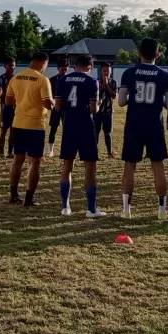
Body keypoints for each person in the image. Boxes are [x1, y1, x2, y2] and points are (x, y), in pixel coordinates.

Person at [118, 38, 168, 220]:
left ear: (139, 53)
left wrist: (132, 99)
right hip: (154, 125)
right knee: (158, 165)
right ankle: (162, 210)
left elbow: (121, 101)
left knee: (129, 165)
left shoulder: (129, 73)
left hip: (134, 123)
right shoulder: (166, 76)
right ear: (158, 54)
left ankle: (127, 210)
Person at [56, 55, 106, 218]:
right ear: (90, 67)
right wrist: (98, 104)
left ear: (75, 66)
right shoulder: (92, 82)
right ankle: (91, 209)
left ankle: (65, 207)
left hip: (69, 124)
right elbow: (93, 109)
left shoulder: (62, 80)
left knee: (67, 166)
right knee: (90, 167)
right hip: (85, 125)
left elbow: (57, 106)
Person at [7, 51, 53, 206]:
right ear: (43, 62)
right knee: (35, 161)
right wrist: (53, 102)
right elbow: (47, 103)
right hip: (36, 125)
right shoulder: (42, 79)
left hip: (18, 123)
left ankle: (13, 195)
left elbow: (8, 101)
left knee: (17, 159)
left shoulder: (16, 77)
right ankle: (28, 198)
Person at [94, 62, 117, 158]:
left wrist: (107, 85)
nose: (106, 72)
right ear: (101, 72)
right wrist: (102, 86)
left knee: (108, 132)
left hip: (108, 111)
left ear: (111, 71)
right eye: (104, 70)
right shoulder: (96, 82)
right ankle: (94, 152)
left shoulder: (113, 82)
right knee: (96, 132)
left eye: (108, 70)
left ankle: (109, 152)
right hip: (97, 111)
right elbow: (96, 95)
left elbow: (114, 95)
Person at [48, 58, 70, 157]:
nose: (64, 72)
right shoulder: (52, 80)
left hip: (67, 108)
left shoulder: (70, 80)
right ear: (58, 68)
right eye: (62, 69)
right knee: (53, 128)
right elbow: (49, 94)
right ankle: (50, 150)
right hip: (55, 107)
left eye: (66, 69)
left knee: (67, 130)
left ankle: (64, 149)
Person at [0, 57, 16, 158]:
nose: (12, 67)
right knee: (3, 131)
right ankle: (1, 152)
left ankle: (10, 152)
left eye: (13, 65)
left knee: (13, 130)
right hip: (5, 108)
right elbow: (0, 94)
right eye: (10, 65)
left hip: (15, 109)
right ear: (5, 66)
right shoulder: (0, 79)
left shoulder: (17, 78)